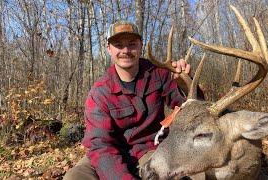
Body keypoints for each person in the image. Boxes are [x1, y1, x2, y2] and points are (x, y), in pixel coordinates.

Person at [63, 20, 190, 180]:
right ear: (109, 49)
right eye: (118, 45)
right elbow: (100, 145)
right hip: (108, 154)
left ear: (140, 46)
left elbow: (191, 108)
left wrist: (184, 83)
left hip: (149, 150)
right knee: (75, 176)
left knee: (168, 175)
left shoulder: (159, 74)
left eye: (132, 44)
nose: (125, 50)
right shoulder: (100, 92)